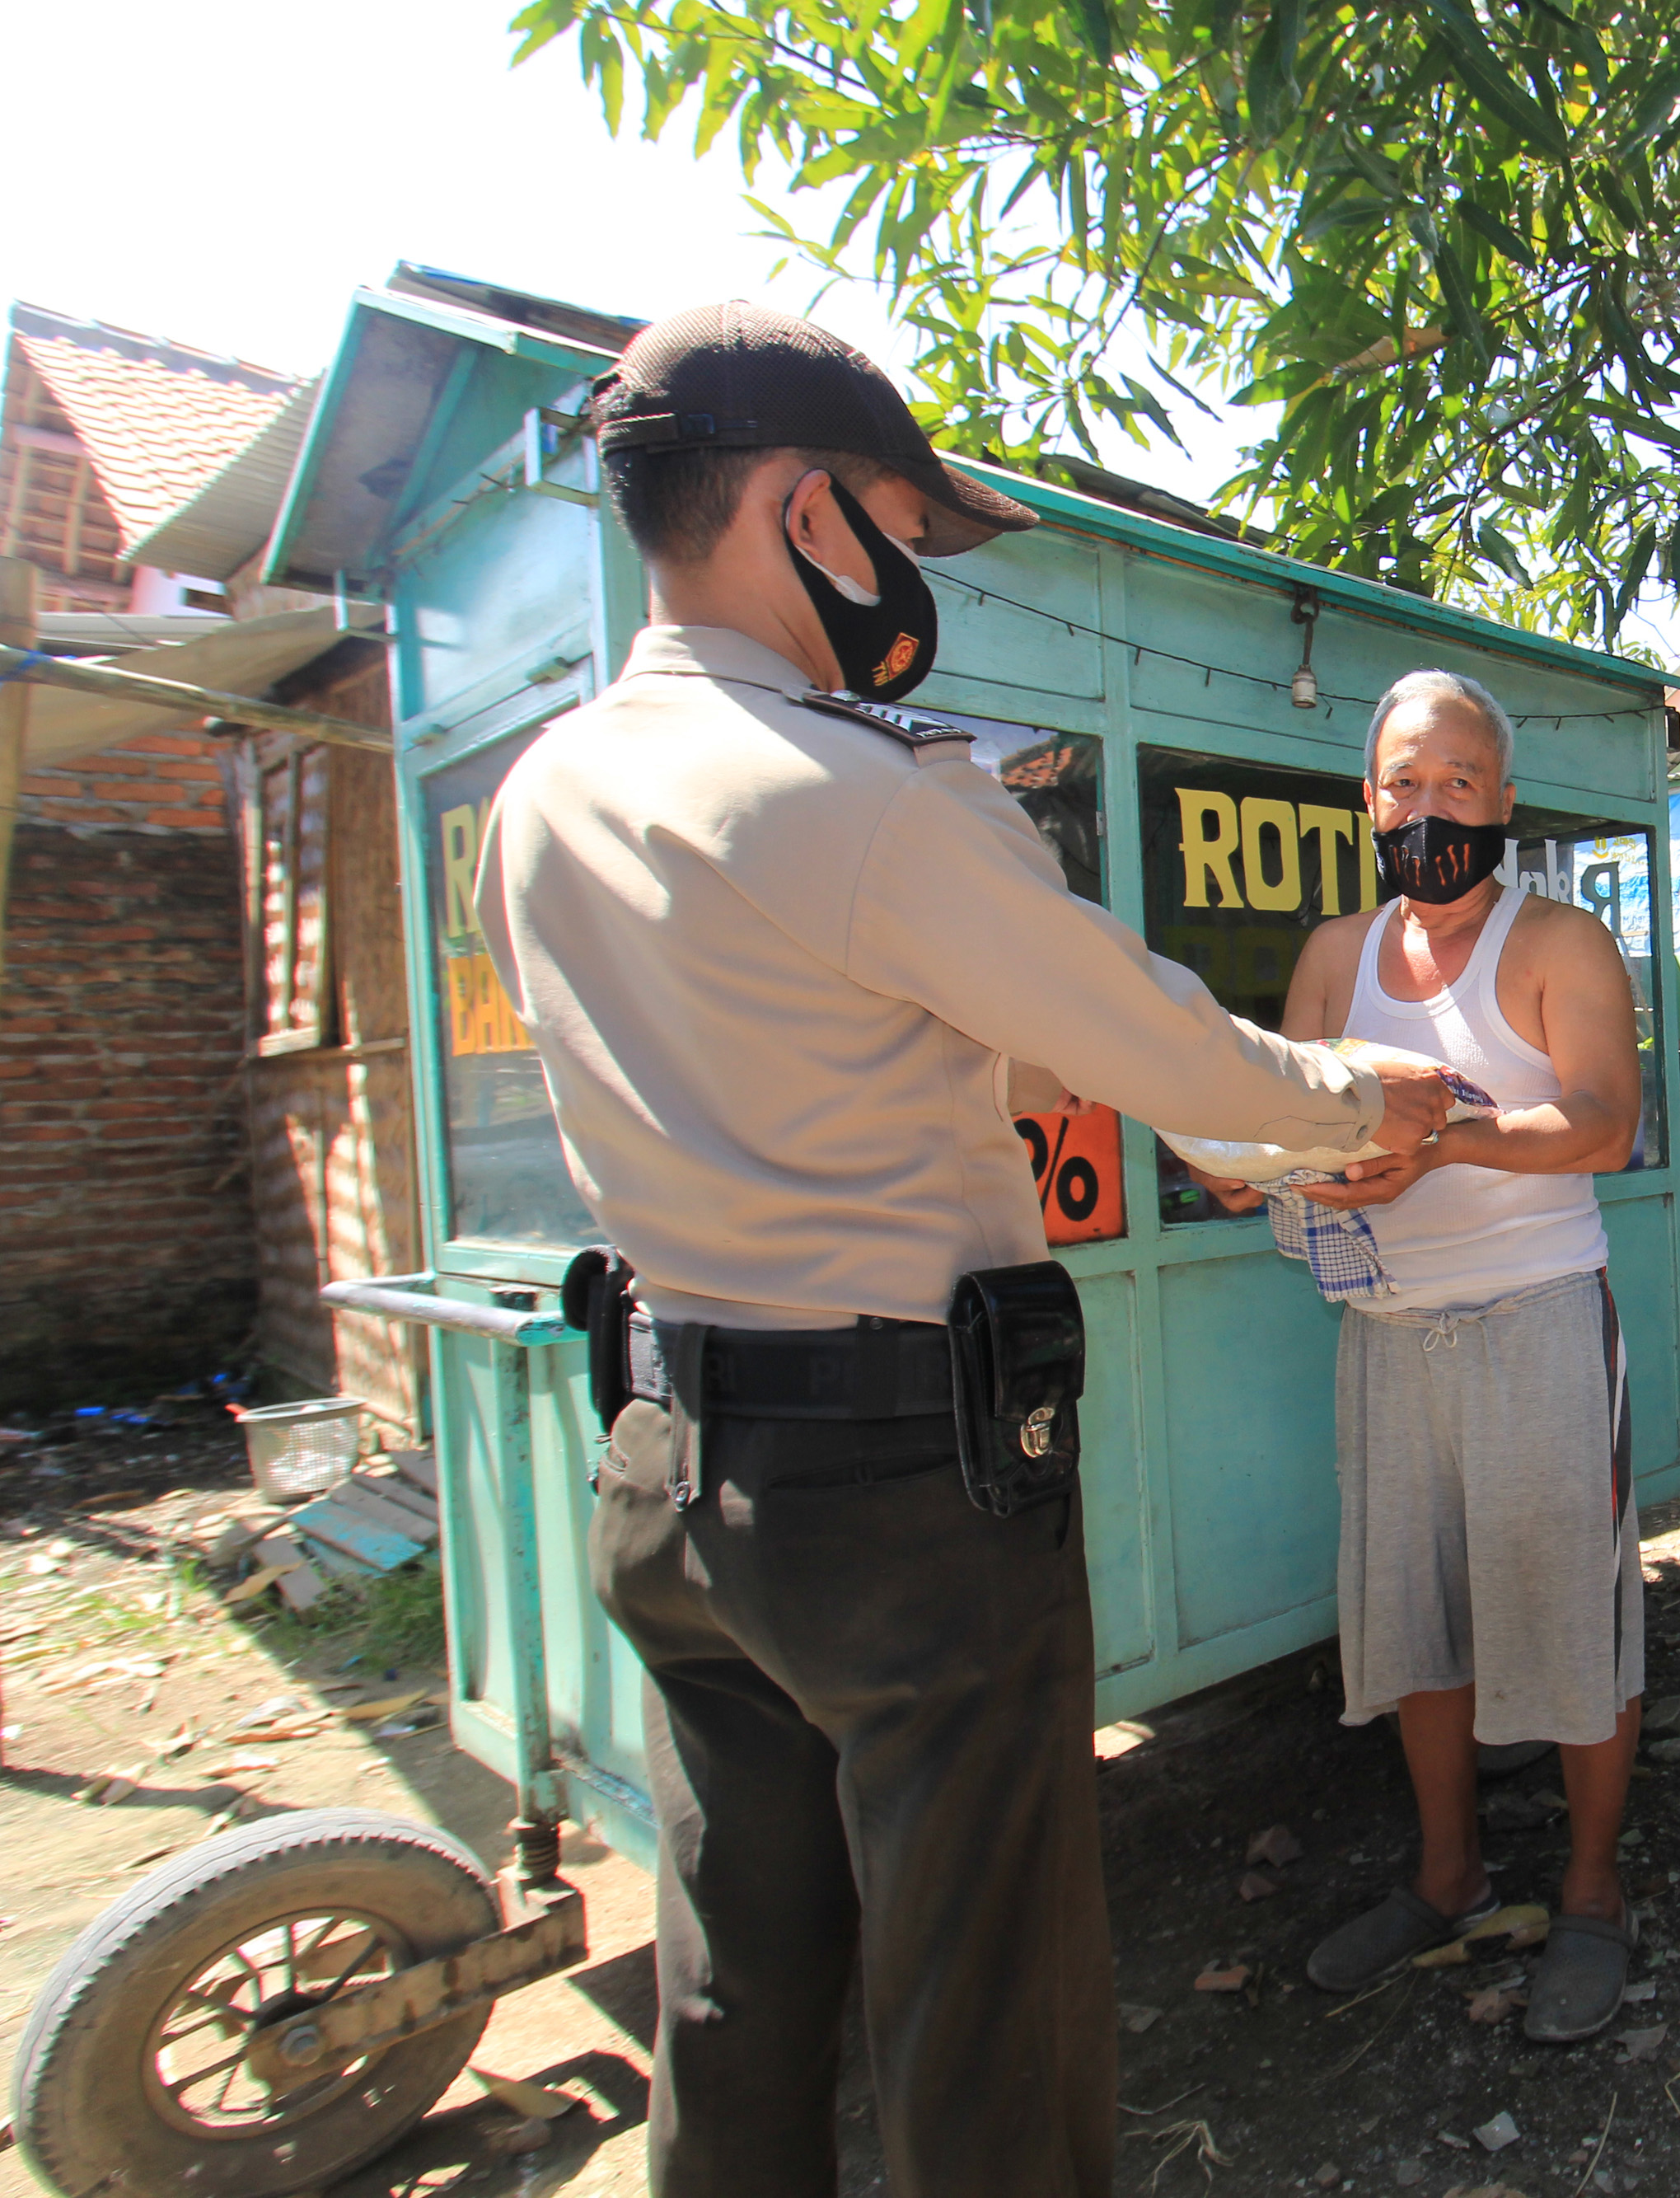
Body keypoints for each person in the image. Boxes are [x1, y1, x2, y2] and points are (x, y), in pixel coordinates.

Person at [475, 301, 1452, 2198]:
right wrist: (1347, 1106)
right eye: (896, 527)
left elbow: (925, 1047)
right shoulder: (858, 795)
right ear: (798, 509)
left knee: (734, 1980)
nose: (913, 576)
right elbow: (1138, 1026)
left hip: (675, 1464)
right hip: (898, 1499)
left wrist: (1226, 1129)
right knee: (981, 2004)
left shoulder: (546, 794)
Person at [1200, 669, 1650, 2041]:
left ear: (1504, 800)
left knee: (1570, 1609)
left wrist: (1432, 1138)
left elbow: (1604, 1125)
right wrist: (1249, 1165)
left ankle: (1589, 1891)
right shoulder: (1340, 955)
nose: (1430, 808)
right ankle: (1447, 1874)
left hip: (1539, 1324)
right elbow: (1284, 1113)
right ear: (1367, 800)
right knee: (1417, 1619)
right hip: (1388, 1333)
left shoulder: (1558, 942)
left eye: (1460, 782)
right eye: (1405, 782)